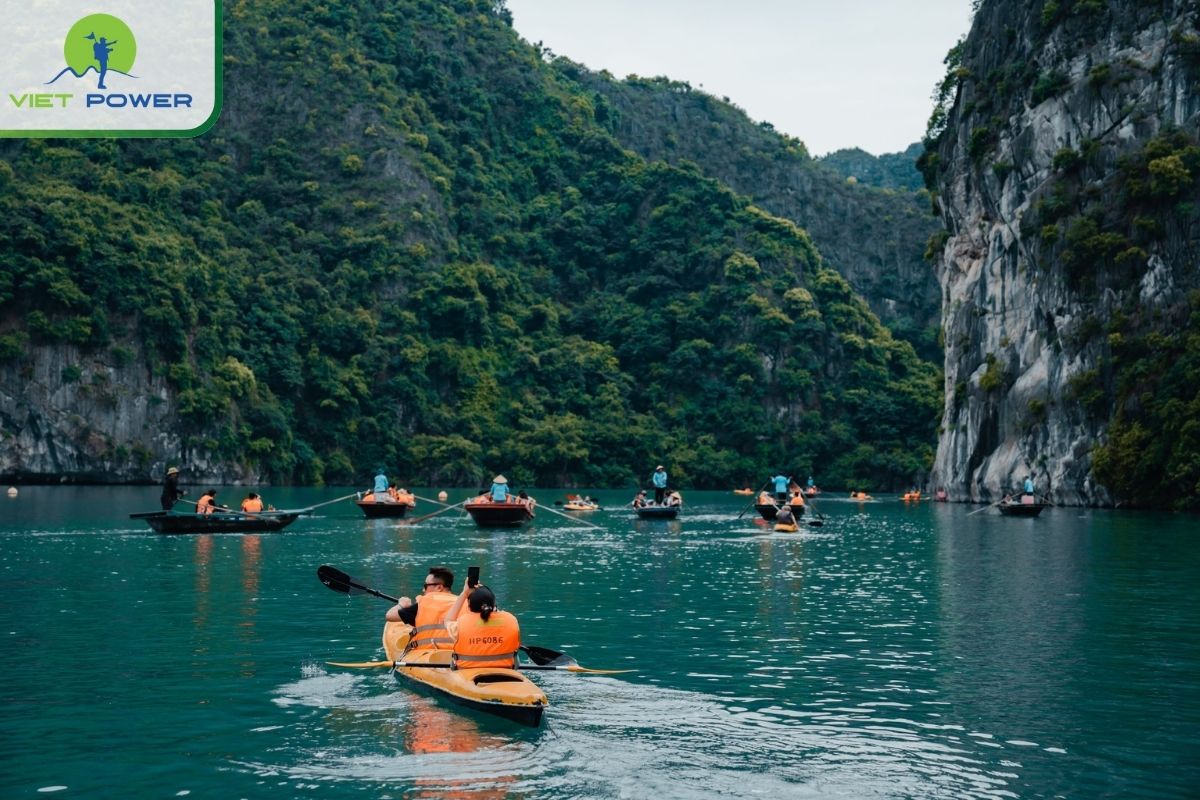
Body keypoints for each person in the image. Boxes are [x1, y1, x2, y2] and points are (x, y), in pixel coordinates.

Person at [444, 576, 520, 670]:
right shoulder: (511, 620)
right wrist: (486, 595)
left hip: (468, 671)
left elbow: (448, 620)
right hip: (506, 669)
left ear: (469, 605)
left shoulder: (460, 626)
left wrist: (464, 593)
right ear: (493, 604)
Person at [386, 566, 459, 651]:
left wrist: (401, 604)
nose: (423, 590)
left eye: (426, 586)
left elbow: (389, 616)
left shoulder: (422, 604)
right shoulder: (463, 603)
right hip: (457, 654)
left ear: (439, 587)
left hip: (428, 655)